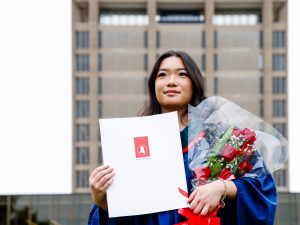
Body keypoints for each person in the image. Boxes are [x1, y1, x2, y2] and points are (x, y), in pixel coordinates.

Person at [88, 50, 277, 225]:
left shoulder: (222, 138)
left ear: (194, 83)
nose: (171, 81)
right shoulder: (132, 143)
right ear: (153, 85)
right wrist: (103, 202)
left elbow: (262, 190)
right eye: (162, 75)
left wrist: (223, 187)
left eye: (182, 74)